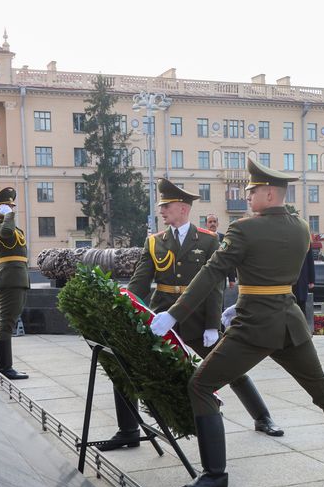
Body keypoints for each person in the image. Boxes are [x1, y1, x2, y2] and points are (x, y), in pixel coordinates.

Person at [150, 156, 324, 487]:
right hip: (289, 323)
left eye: (251, 191)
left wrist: (175, 314)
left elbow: (212, 272)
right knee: (322, 391)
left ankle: (215, 475)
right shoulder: (301, 227)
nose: (247, 196)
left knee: (201, 385)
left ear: (269, 194)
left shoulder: (244, 229)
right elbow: (277, 277)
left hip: (254, 327)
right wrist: (239, 302)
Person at [97, 178, 283, 452]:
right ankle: (128, 430)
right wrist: (121, 308)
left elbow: (215, 284)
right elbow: (139, 283)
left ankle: (262, 417)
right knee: (125, 364)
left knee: (231, 367)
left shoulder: (208, 240)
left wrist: (212, 324)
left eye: (166, 206)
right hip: (162, 319)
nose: (161, 210)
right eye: (161, 206)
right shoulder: (154, 242)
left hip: (198, 318)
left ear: (183, 208)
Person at [0, 187, 30, 380]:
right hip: (10, 279)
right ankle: (5, 368)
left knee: (6, 322)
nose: (11, 209)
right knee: (6, 323)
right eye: (7, 206)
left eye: (12, 207)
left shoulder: (10, 226)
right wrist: (7, 216)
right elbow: (6, 233)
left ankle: (5, 366)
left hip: (16, 278)